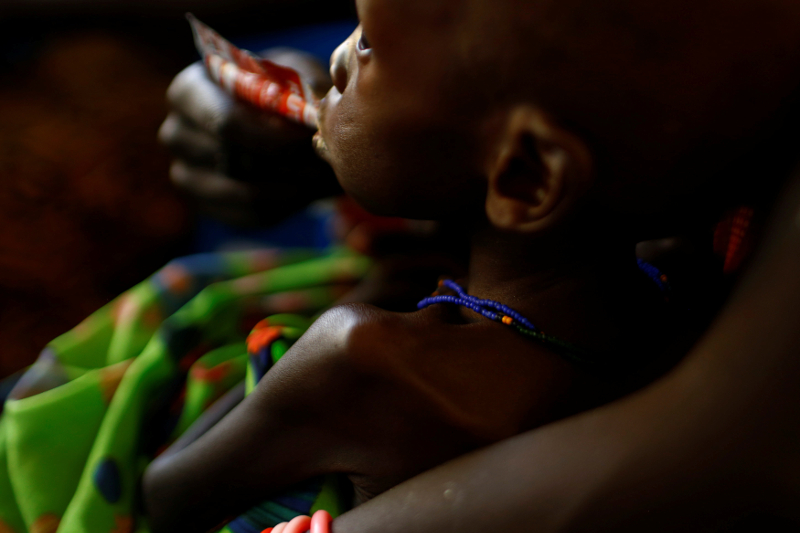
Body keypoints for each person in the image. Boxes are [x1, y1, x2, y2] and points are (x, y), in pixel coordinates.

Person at [140, 1, 711, 530]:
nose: (333, 60)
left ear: (525, 179)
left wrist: (341, 318)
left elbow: (164, 495)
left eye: (368, 47)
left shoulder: (361, 355)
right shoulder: (689, 303)